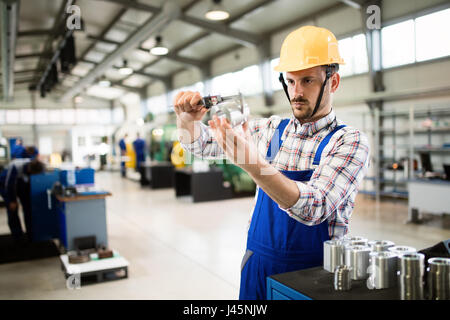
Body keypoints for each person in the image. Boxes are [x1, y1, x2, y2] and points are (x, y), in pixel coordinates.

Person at [174, 26, 370, 300]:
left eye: (308, 81)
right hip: (259, 264)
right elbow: (202, 145)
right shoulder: (269, 131)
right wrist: (186, 121)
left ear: (333, 82)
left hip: (316, 275)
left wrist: (254, 166)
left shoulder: (349, 142)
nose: (296, 92)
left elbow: (315, 207)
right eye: (290, 81)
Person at [0, 147, 45, 242]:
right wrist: (12, 200)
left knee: (28, 208)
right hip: (4, 184)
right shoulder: (16, 165)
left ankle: (30, 234)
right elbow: (9, 185)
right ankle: (17, 237)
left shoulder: (35, 165)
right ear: (29, 169)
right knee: (12, 209)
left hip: (20, 183)